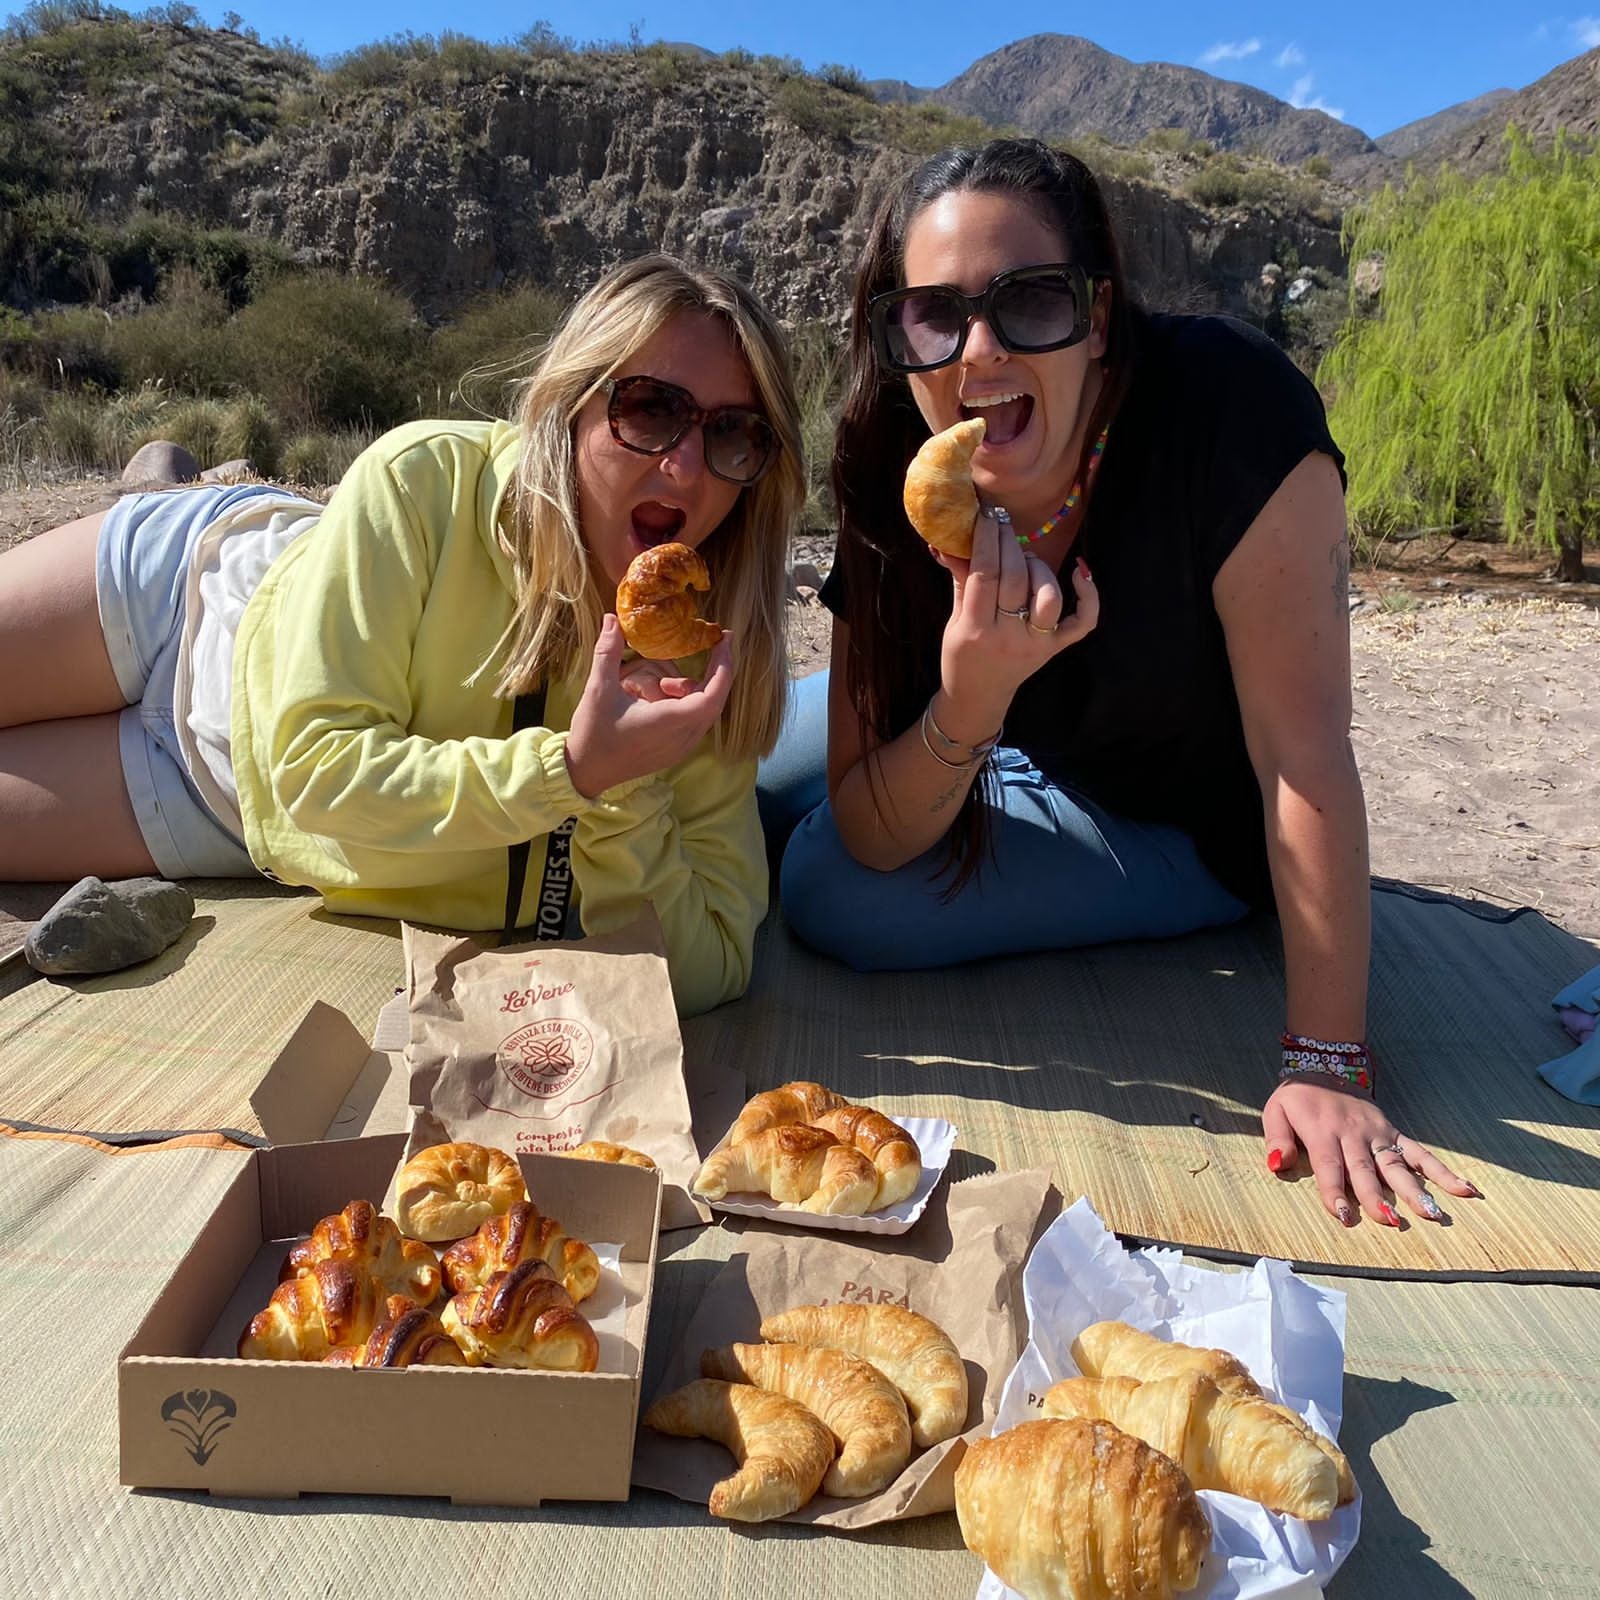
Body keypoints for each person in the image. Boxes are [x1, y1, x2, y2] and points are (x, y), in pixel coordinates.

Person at [773, 138, 1479, 1231]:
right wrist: (969, 700)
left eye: (1031, 302)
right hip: (998, 722)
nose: (980, 350)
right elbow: (876, 770)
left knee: (825, 885)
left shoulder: (1228, 415)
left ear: (1098, 317)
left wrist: (1328, 1062)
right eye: (934, 316)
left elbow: (1302, 751)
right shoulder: (885, 452)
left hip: (1175, 818)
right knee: (752, 763)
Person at [0, 254, 805, 1017]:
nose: (688, 467)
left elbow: (715, 964)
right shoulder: (425, 480)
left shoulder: (703, 662)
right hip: (187, 595)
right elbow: (316, 759)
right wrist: (566, 771)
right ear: (571, 404)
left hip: (218, 803)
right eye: (652, 409)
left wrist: (617, 788)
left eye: (735, 434)